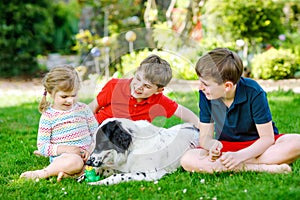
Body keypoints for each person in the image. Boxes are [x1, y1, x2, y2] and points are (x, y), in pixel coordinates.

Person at [180, 48, 300, 173]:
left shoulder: (253, 91)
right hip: (227, 147)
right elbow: (205, 138)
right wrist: (212, 146)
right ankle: (260, 167)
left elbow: (267, 138)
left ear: (227, 86)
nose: (200, 87)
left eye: (205, 84)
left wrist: (240, 156)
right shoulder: (206, 94)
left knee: (297, 142)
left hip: (258, 147)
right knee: (187, 159)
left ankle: (226, 166)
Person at [20, 66, 98, 181]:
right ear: (51, 93)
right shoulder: (48, 116)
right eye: (64, 96)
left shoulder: (84, 109)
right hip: (65, 158)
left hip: (88, 155)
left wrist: (90, 150)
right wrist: (66, 149)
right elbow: (42, 147)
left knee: (108, 160)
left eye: (74, 95)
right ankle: (44, 173)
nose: (70, 100)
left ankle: (69, 175)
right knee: (76, 162)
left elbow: (97, 134)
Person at [89, 54, 200, 127]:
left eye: (147, 86)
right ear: (136, 71)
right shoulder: (114, 86)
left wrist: (202, 129)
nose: (138, 87)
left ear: (159, 90)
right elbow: (92, 107)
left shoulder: (158, 100)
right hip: (99, 129)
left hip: (127, 139)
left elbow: (182, 112)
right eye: (138, 79)